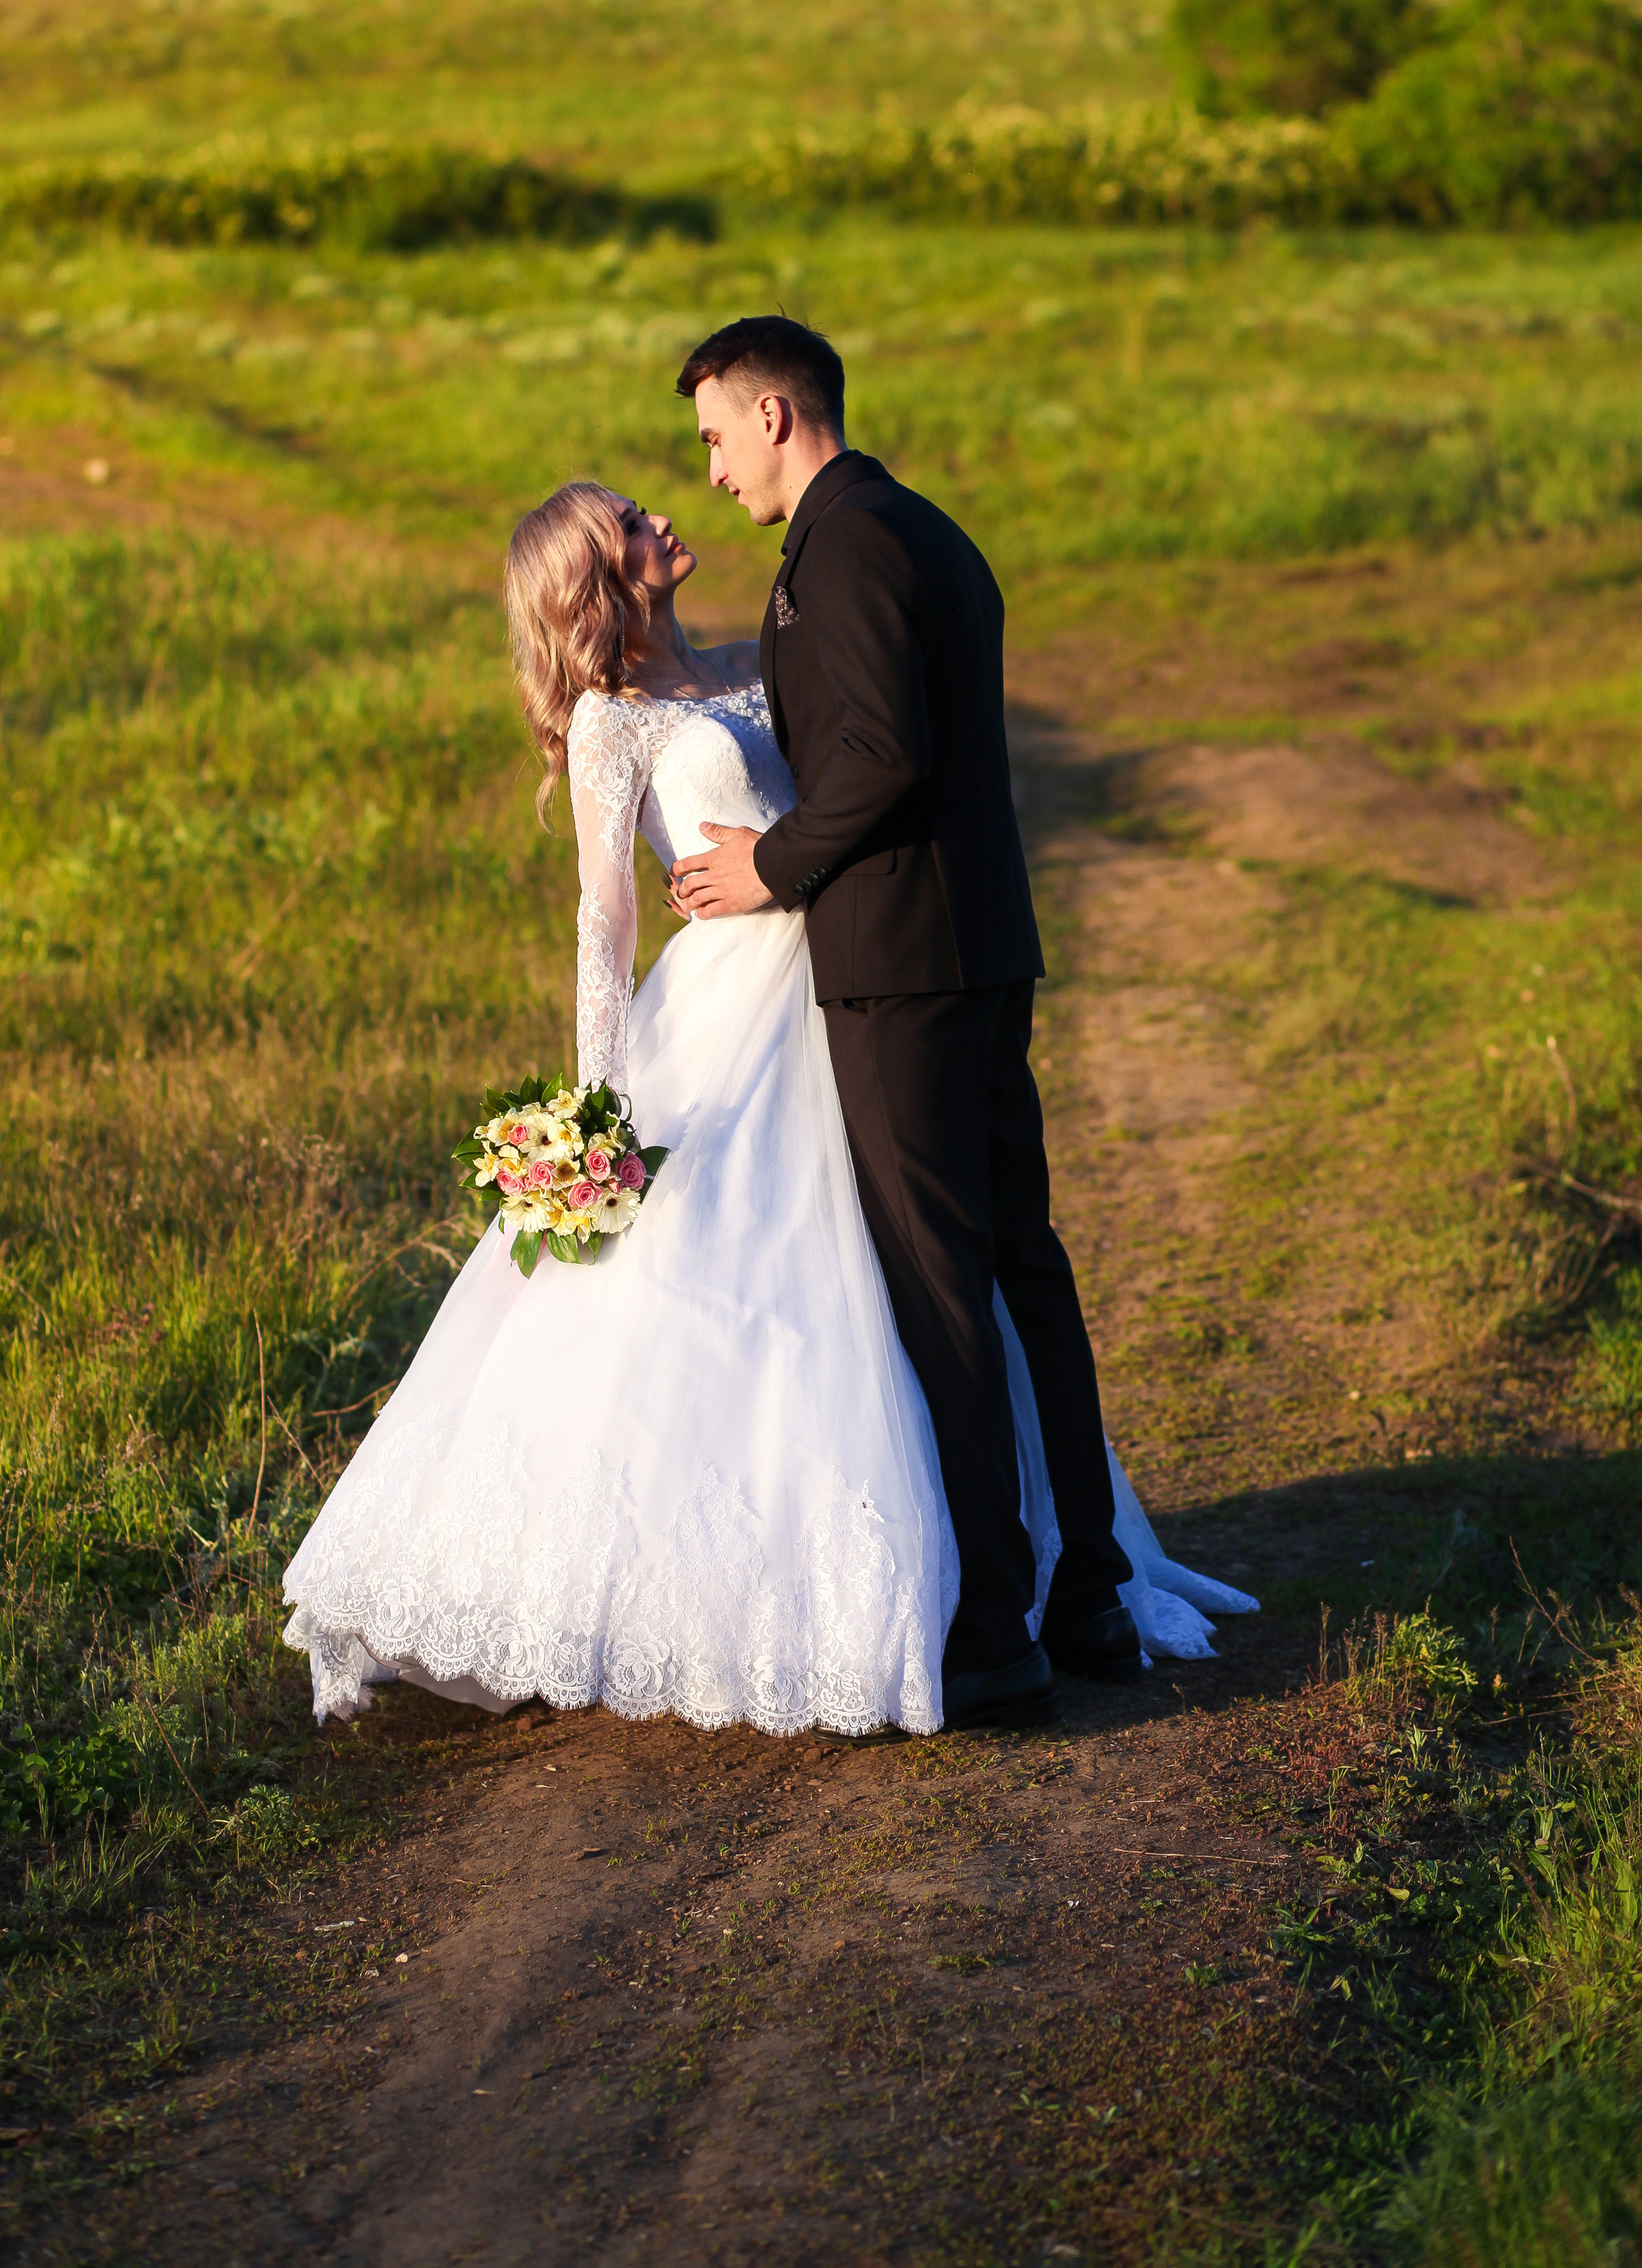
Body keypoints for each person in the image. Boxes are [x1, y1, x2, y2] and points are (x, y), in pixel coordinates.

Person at [281, 458, 1254, 1737]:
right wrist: (599, 1111)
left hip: (853, 974)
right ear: (594, 580)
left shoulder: (755, 658)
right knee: (753, 1292)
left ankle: (1005, 1562)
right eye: (631, 523)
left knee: (921, 1263)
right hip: (729, 1016)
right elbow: (602, 919)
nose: (663, 516)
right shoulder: (612, 722)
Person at [668, 318, 1142, 1726]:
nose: (711, 471)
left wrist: (770, 865)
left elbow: (878, 758)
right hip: (973, 947)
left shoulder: (847, 546)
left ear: (773, 414)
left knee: (943, 1284)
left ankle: (993, 1629)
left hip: (901, 965)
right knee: (1020, 1262)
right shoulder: (923, 528)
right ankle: (1088, 1587)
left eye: (713, 436)